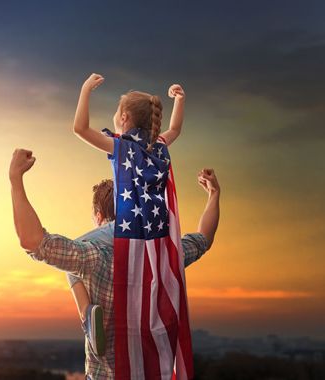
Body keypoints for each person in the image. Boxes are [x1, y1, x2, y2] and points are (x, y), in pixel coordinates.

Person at [9, 148, 220, 379]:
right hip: (152, 372)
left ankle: (86, 313)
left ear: (99, 216)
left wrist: (15, 179)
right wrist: (214, 195)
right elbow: (203, 240)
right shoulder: (162, 254)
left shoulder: (93, 255)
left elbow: (33, 241)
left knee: (72, 270)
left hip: (105, 375)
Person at [68, 73, 187, 356]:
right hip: (158, 234)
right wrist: (180, 100)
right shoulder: (158, 147)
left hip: (129, 230)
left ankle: (87, 315)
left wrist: (85, 89)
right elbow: (176, 129)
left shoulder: (124, 147)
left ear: (124, 118)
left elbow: (80, 129)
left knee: (71, 260)